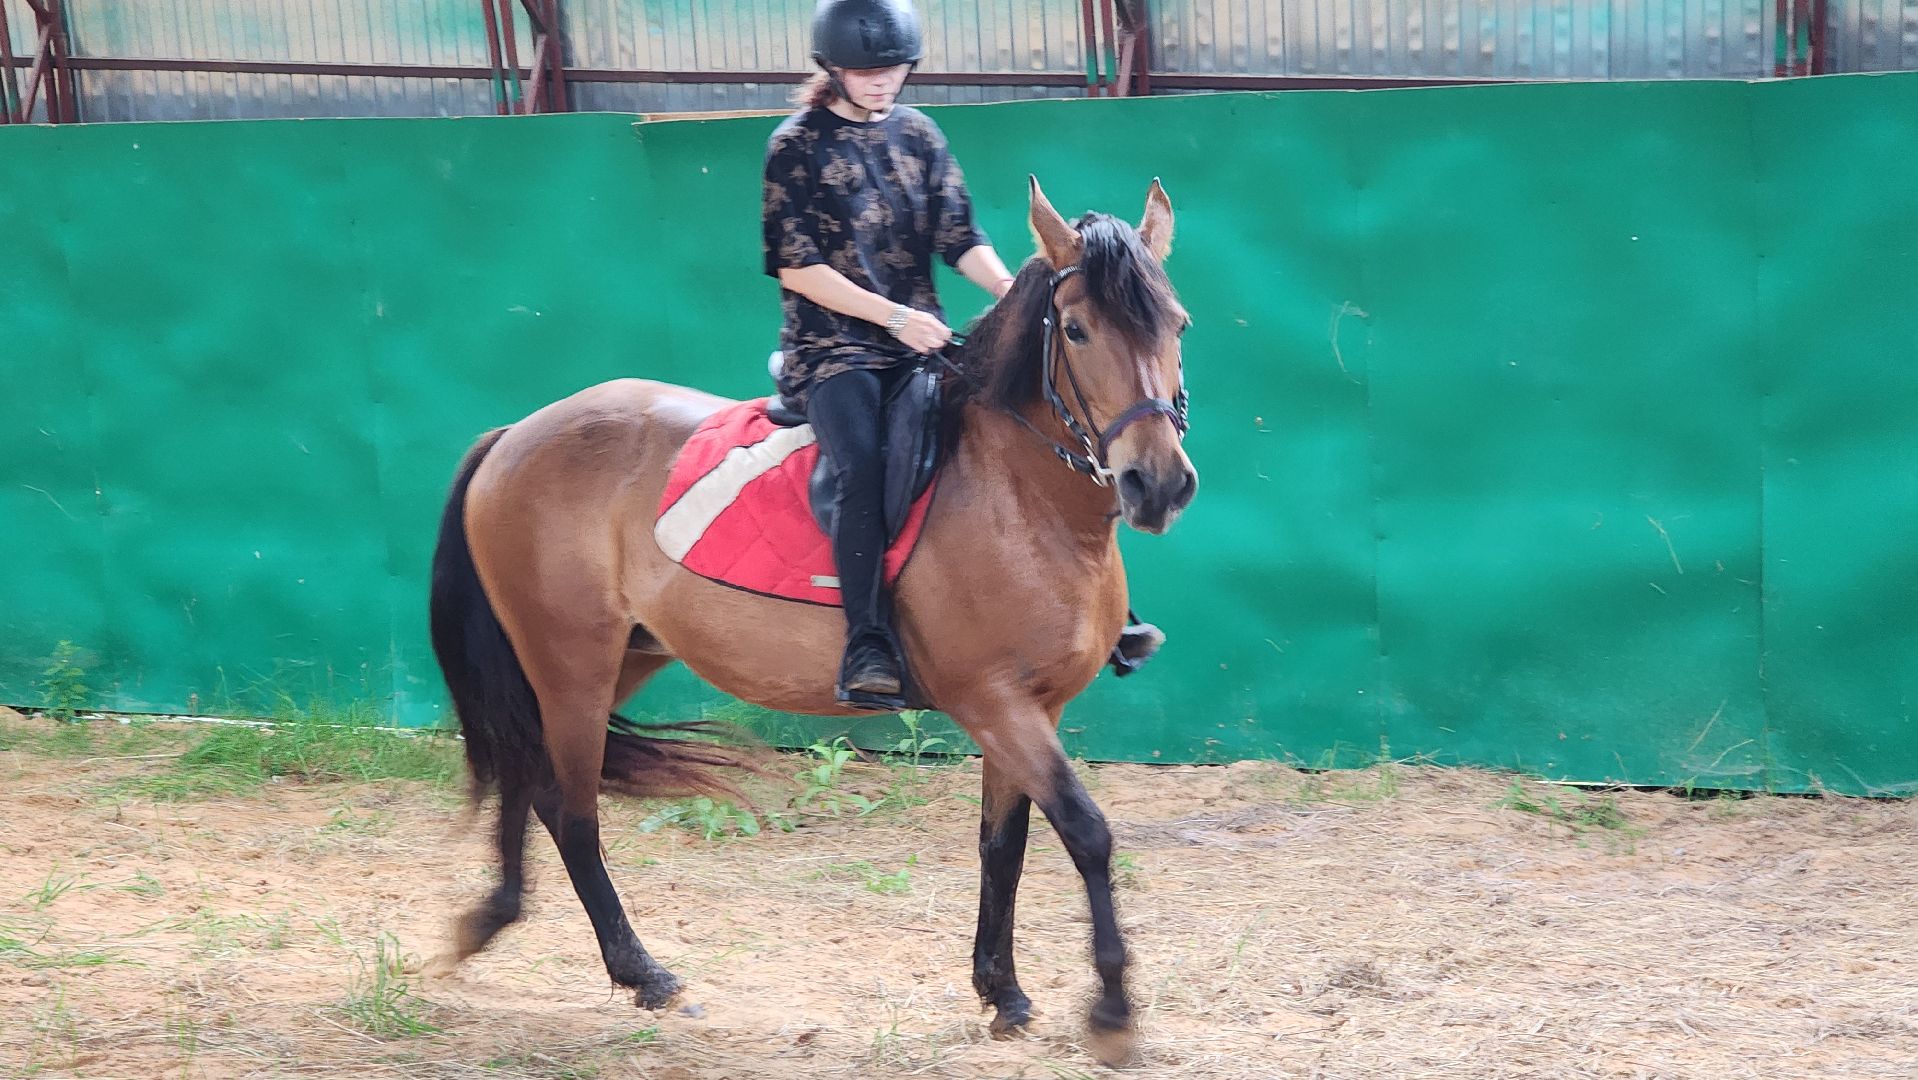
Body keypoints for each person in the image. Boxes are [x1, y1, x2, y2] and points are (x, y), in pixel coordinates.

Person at [762, 0, 1166, 710]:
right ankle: (867, 641)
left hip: (921, 345)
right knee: (863, 465)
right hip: (834, 351)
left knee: (1023, 437)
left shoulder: (919, 134)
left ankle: (1108, 618)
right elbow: (798, 267)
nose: (881, 82)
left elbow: (959, 237)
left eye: (892, 68)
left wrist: (1013, 289)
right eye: (865, 71)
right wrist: (892, 316)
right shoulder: (796, 145)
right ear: (833, 70)